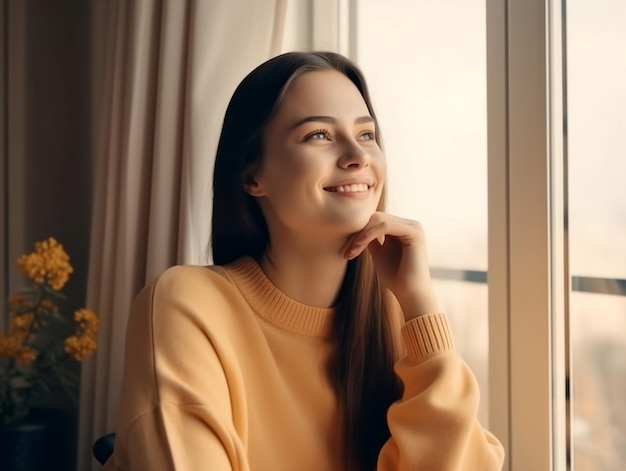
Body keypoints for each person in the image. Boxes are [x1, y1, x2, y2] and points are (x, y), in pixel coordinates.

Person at [104, 51, 505, 471]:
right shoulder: (188, 305)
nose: (357, 156)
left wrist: (420, 304)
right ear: (251, 175)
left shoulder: (393, 316)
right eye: (319, 135)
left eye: (366, 135)